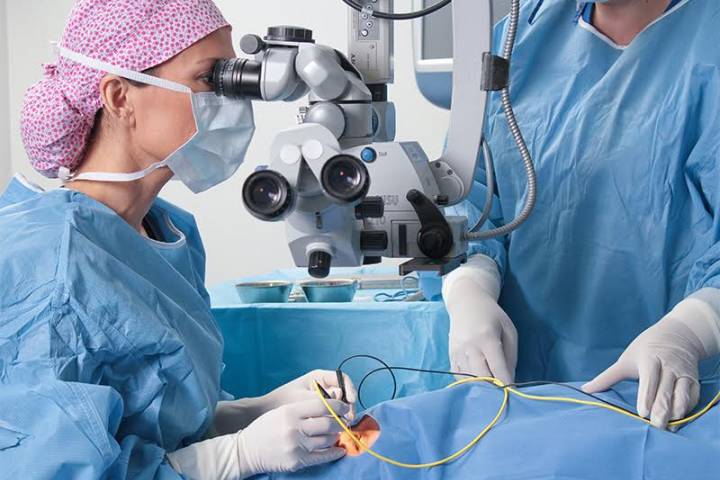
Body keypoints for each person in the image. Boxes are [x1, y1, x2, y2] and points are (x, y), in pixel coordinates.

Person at [0, 1, 358, 479]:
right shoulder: (50, 266)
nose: (231, 101)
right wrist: (234, 456)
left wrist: (248, 414)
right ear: (120, 97)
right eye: (210, 78)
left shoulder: (167, 232)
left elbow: (157, 418)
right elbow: (46, 467)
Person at [442, 0, 720, 429]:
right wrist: (469, 288)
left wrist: (694, 328)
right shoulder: (516, 39)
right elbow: (470, 194)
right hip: (522, 397)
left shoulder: (707, 43)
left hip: (680, 409)